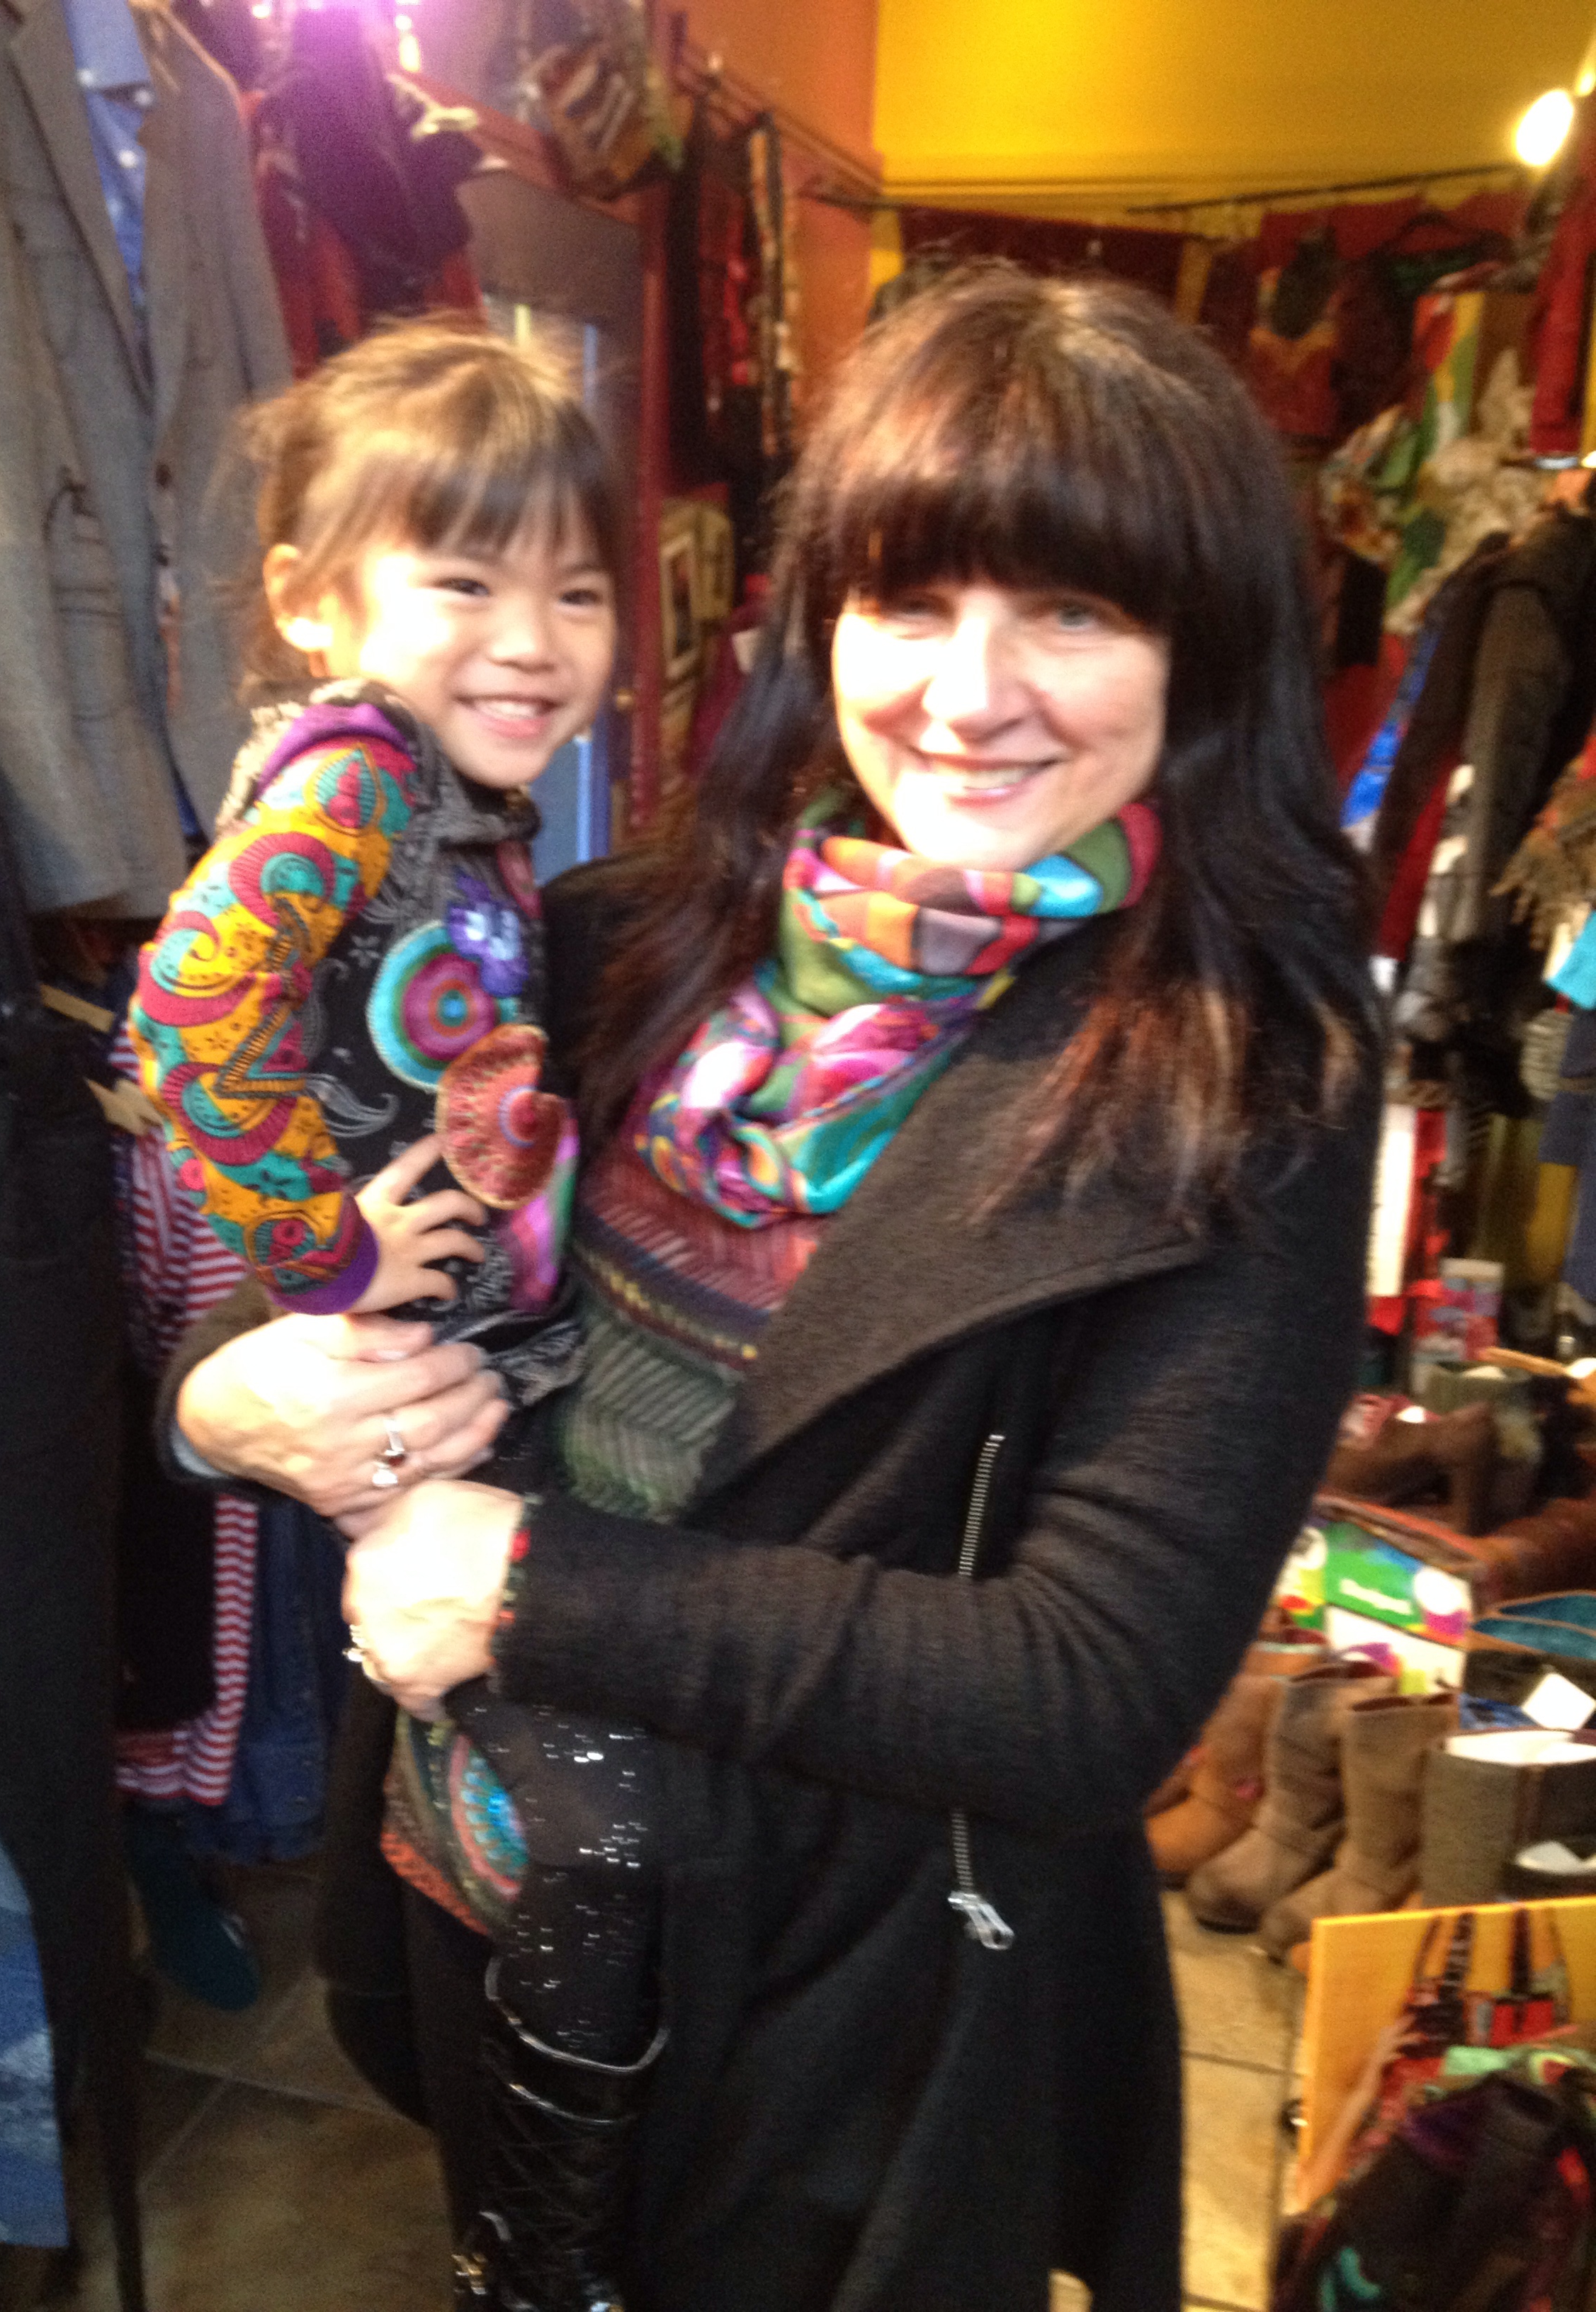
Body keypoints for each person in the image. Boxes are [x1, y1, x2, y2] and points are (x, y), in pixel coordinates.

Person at [166, 265, 1381, 2312]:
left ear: (1205, 649)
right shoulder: (617, 935)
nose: (969, 695)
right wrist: (225, 1403)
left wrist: (536, 1582)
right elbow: (340, 1256)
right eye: (910, 604)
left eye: (1072, 613)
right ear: (819, 622)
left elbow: (1086, 1690)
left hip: (852, 2000)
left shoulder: (1247, 1085)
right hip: (495, 1875)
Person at [129, 317, 667, 2306]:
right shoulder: (355, 781)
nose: (531, 640)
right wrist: (327, 1250)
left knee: (495, 1776)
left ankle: (521, 2163)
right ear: (310, 596)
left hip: (467, 1355)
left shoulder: (459, 806)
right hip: (408, 1357)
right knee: (524, 1796)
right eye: (463, 582)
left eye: (578, 592)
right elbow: (187, 1012)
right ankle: (538, 2212)